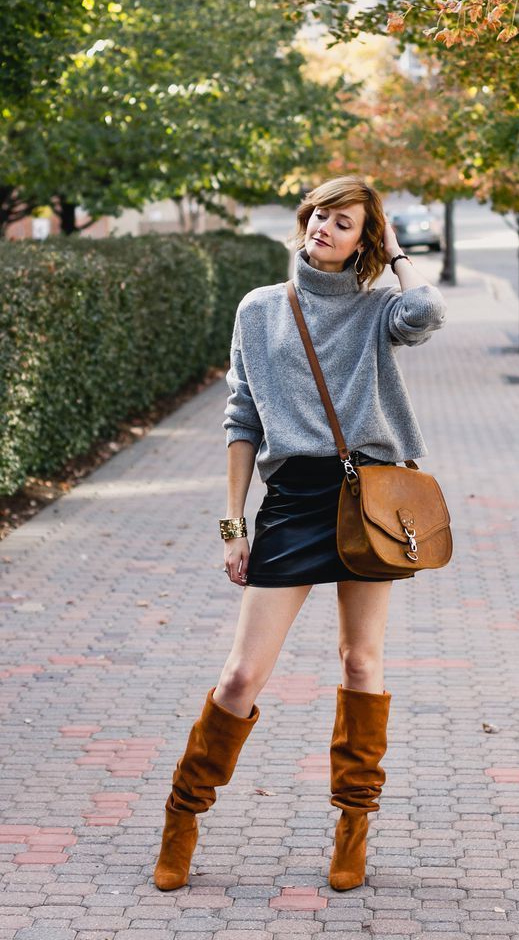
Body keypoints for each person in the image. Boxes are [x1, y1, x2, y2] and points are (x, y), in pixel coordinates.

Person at [153, 175, 447, 893]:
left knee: (359, 662)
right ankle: (183, 812)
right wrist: (233, 524)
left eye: (344, 221)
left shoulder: (380, 309)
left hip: (370, 499)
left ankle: (353, 823)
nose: (324, 226)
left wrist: (397, 253)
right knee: (241, 675)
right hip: (291, 503)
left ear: (362, 241)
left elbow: (427, 313)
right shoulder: (260, 309)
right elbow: (242, 417)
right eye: (319, 214)